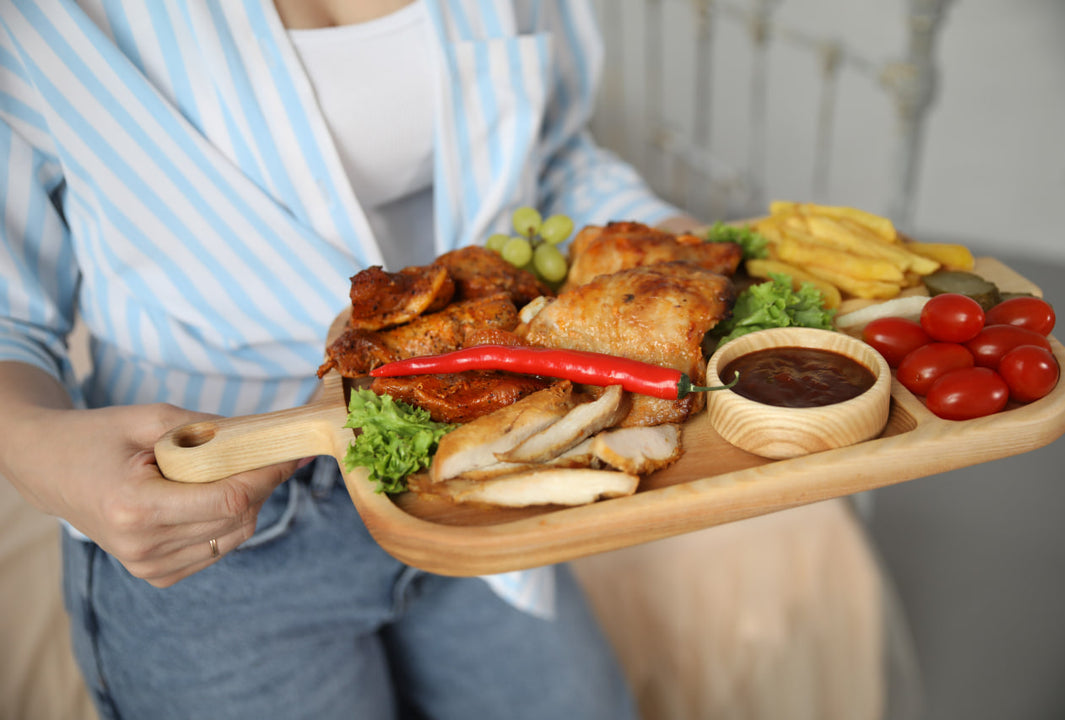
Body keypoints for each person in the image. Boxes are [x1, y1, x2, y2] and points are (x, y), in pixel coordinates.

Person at [0, 1, 699, 718]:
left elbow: (550, 156)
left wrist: (683, 249)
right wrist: (34, 449)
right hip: (217, 530)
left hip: (475, 470)